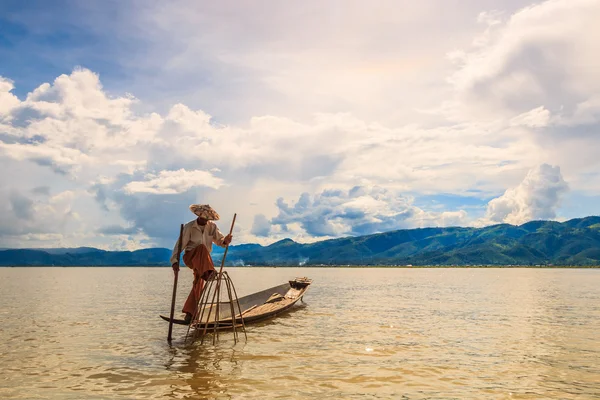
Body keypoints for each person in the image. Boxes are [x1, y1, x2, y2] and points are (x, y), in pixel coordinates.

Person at [170, 204, 232, 324]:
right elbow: (179, 245)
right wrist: (174, 262)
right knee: (202, 248)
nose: (204, 220)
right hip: (191, 257)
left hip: (203, 261)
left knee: (198, 283)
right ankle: (209, 273)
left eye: (206, 219)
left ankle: (190, 314)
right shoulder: (189, 227)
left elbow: (220, 241)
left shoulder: (212, 227)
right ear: (198, 216)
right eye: (202, 218)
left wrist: (226, 241)